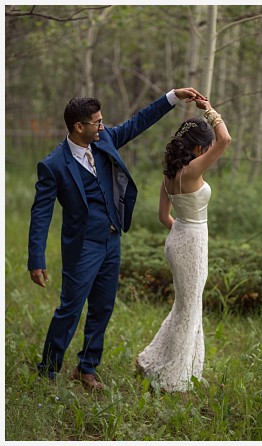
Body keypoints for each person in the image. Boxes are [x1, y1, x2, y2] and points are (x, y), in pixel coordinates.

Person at [29, 87, 206, 391]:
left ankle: (87, 368)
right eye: (96, 122)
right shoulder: (54, 165)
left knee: (103, 306)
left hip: (112, 240)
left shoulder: (105, 139)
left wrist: (172, 98)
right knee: (70, 308)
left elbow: (138, 122)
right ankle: (48, 369)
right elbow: (41, 214)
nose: (103, 125)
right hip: (82, 246)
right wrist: (36, 260)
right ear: (78, 127)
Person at [135, 99, 230, 391]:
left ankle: (167, 362)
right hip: (192, 243)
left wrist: (183, 233)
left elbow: (164, 217)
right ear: (199, 148)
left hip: (177, 240)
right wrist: (209, 109)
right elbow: (225, 139)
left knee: (185, 306)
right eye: (205, 146)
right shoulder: (191, 172)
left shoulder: (169, 175)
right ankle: (173, 377)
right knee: (189, 309)